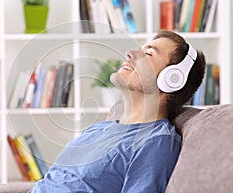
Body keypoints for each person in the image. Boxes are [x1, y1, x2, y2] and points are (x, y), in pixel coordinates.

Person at [29, 30, 206, 193]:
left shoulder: (156, 141)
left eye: (148, 54)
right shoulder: (98, 129)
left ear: (171, 80)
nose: (130, 54)